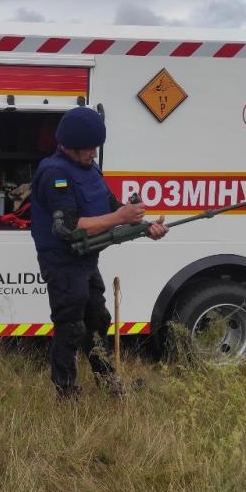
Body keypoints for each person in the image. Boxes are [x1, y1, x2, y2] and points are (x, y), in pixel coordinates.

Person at [30, 107, 169, 398]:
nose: (94, 153)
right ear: (69, 145)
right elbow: (68, 227)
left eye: (96, 147)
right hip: (63, 263)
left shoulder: (90, 169)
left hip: (87, 260)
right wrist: (120, 217)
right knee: (71, 326)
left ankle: (107, 381)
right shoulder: (55, 174)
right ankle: (66, 393)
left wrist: (145, 226)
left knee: (98, 320)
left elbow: (111, 205)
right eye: (89, 148)